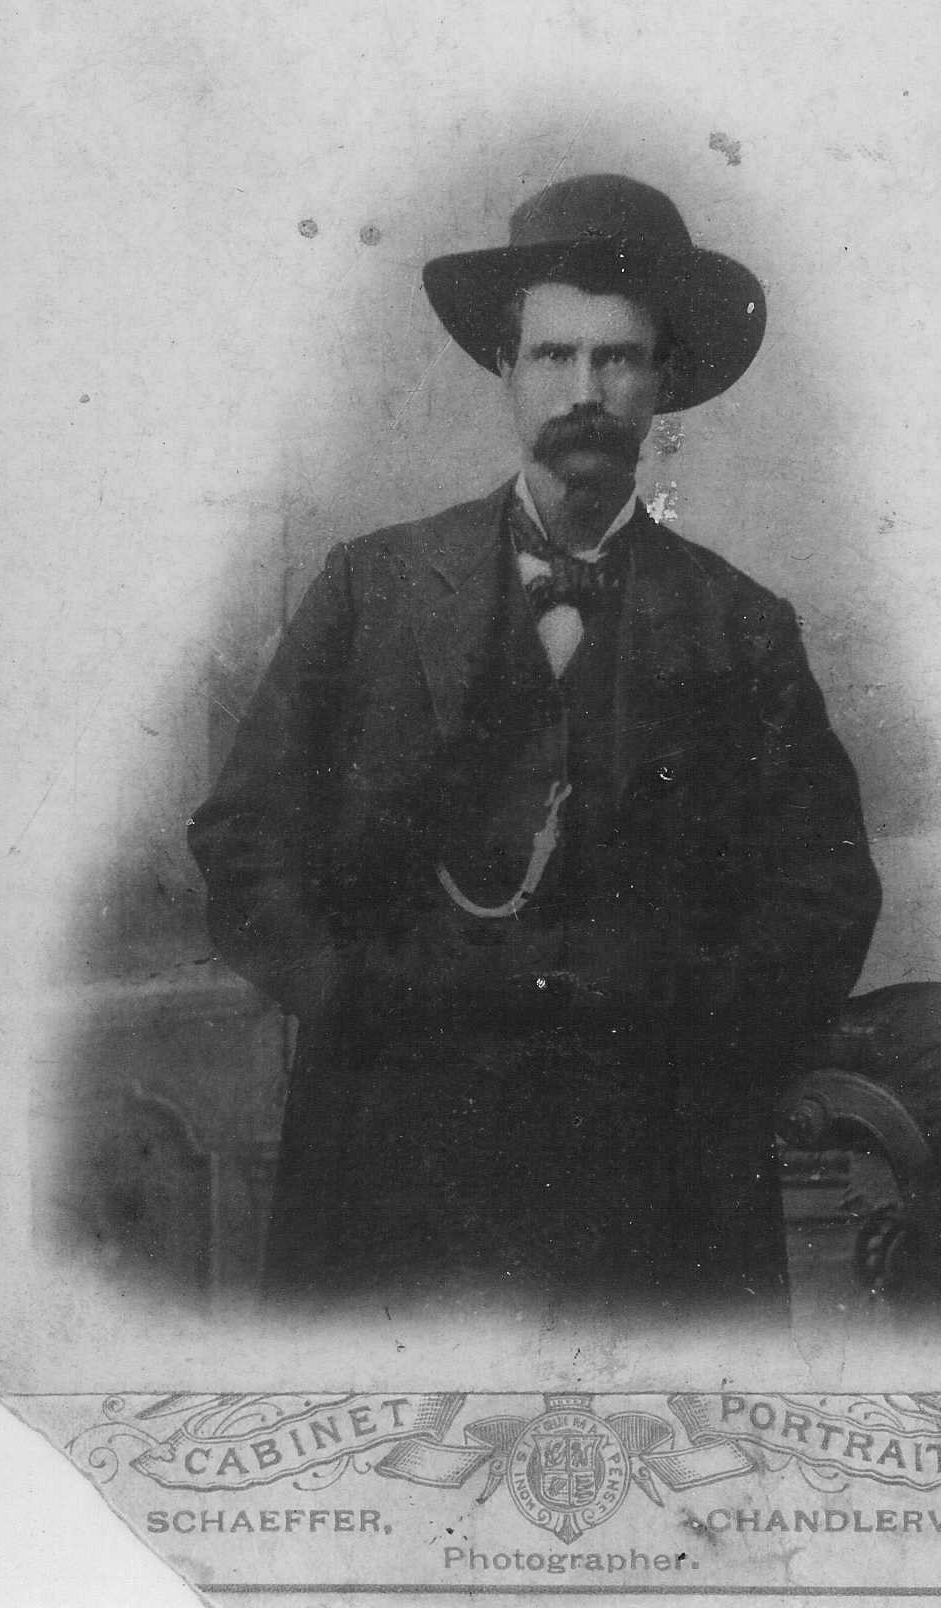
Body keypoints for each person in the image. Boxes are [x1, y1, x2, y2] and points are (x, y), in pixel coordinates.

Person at [188, 172, 881, 1322]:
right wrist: (356, 996)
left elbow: (826, 897)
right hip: (395, 1167)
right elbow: (242, 837)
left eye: (619, 360)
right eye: (554, 356)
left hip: (656, 1184)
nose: (586, 391)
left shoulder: (744, 626)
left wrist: (676, 1012)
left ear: (666, 384)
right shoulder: (372, 588)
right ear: (504, 370)